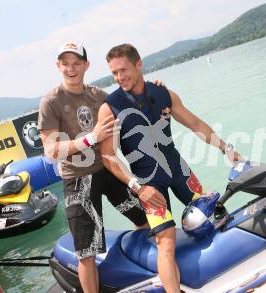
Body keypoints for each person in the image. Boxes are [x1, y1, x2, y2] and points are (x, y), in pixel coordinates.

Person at [98, 43, 242, 293]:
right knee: (166, 242)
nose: (119, 77)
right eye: (114, 73)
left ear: (138, 64)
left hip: (179, 172)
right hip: (149, 184)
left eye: (123, 70)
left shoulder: (164, 94)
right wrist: (138, 188)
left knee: (216, 215)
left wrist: (226, 149)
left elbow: (195, 123)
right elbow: (108, 157)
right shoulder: (110, 108)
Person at [38, 41, 151, 293]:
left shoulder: (99, 95)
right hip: (77, 181)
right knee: (86, 253)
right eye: (65, 64)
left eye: (77, 63)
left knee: (145, 219)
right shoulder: (51, 101)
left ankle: (140, 273)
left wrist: (157, 91)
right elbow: (51, 150)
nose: (71, 68)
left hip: (108, 170)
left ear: (86, 65)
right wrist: (91, 138)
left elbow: (134, 100)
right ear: (58, 66)